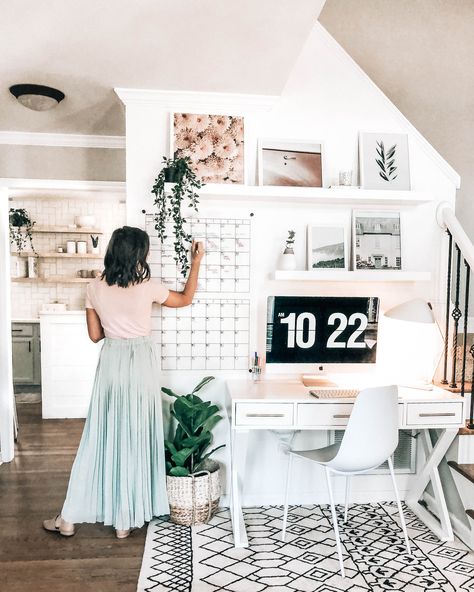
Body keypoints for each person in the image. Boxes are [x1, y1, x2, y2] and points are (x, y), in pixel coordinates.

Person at [43, 226, 204, 538]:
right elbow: (185, 299)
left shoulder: (94, 287)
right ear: (139, 255)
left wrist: (114, 322)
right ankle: (124, 522)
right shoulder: (148, 288)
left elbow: (94, 336)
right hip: (140, 364)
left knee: (101, 437)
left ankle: (69, 518)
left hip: (112, 363)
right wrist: (196, 262)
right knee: (136, 435)